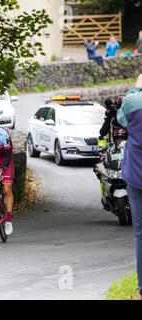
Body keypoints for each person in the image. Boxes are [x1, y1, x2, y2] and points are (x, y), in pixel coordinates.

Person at [117, 74, 142, 300]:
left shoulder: (134, 102)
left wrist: (136, 89)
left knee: (140, 233)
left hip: (137, 175)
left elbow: (121, 119)